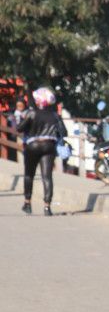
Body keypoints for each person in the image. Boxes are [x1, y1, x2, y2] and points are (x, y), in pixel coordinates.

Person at [17, 88, 66, 216]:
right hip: (49, 146)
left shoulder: (31, 113)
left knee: (29, 175)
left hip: (33, 145)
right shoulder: (54, 115)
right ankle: (47, 207)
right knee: (47, 176)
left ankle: (27, 203)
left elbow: (19, 128)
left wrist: (24, 121)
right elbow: (64, 132)